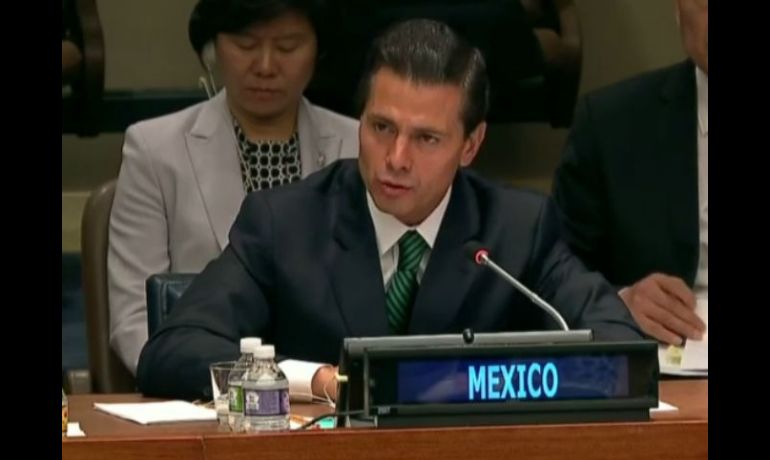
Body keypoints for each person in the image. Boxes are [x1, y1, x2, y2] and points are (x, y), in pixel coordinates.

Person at [137, 18, 643, 401]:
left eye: (426, 138)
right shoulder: (286, 223)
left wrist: (482, 382)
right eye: (381, 128)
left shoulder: (516, 229)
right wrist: (315, 380)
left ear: (470, 145)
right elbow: (173, 350)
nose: (396, 159)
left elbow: (619, 346)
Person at [108, 0, 359, 374]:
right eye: (245, 45)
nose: (265, 66)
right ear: (213, 49)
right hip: (200, 389)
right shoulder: (154, 150)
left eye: (287, 47)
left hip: (332, 390)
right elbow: (135, 320)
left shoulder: (360, 146)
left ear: (318, 50)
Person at [552, 0, 707, 346]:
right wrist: (619, 302)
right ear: (678, 8)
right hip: (667, 359)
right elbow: (553, 273)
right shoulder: (610, 125)